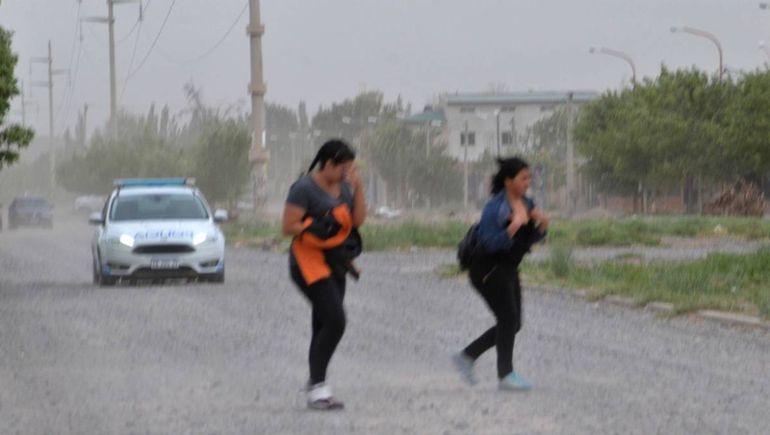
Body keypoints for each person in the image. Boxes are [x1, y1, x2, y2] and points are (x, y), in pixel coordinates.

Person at [281, 139, 366, 410]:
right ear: (328, 164)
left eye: (350, 168)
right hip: (307, 262)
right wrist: (317, 226)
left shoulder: (345, 187)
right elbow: (288, 226)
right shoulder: (303, 188)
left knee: (322, 323)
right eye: (343, 167)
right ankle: (318, 386)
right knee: (336, 321)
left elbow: (358, 220)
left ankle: (316, 385)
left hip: (335, 261)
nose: (346, 173)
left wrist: (359, 188)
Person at [452, 157, 549, 391]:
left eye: (529, 178)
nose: (528, 182)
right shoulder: (495, 207)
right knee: (508, 319)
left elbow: (528, 240)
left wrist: (542, 225)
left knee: (514, 323)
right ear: (508, 181)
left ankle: (467, 356)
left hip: (508, 269)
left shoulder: (526, 202)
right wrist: (514, 225)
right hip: (486, 269)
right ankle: (505, 375)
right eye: (523, 178)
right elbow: (488, 243)